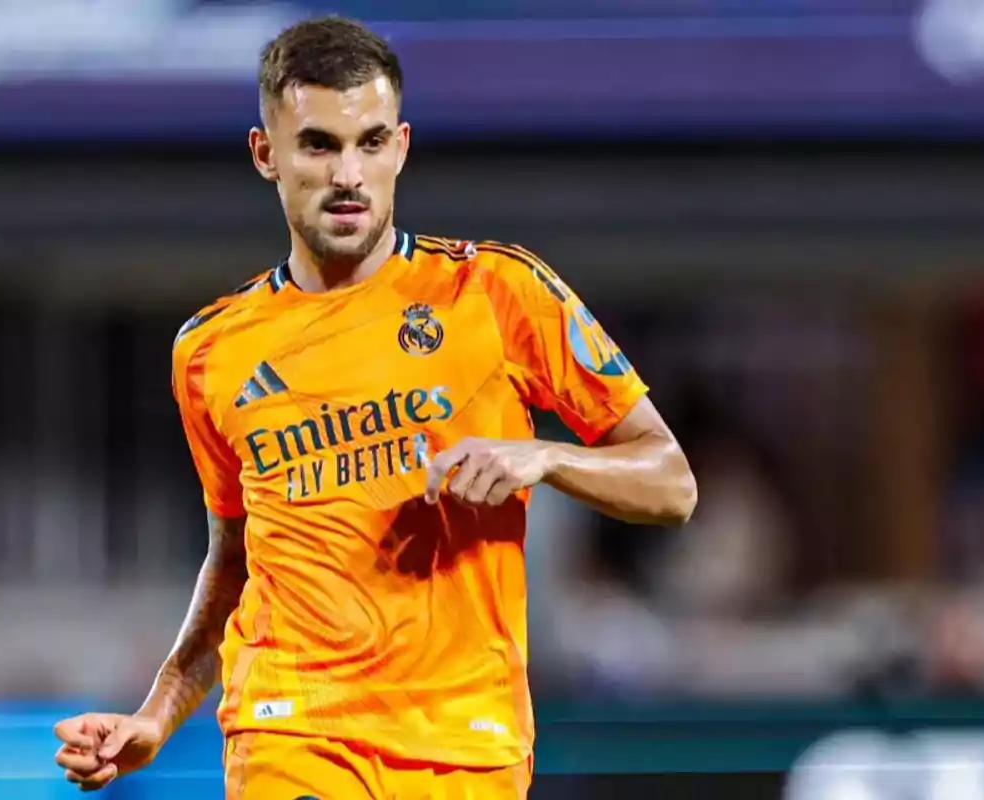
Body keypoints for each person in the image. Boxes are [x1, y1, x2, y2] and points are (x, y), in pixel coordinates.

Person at [52, 16, 696, 800]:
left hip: (463, 742)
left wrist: (549, 458)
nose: (348, 174)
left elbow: (672, 484)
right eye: (319, 144)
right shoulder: (211, 351)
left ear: (402, 147)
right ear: (268, 155)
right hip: (291, 731)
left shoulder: (496, 292)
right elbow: (234, 561)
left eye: (370, 142)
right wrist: (156, 714)